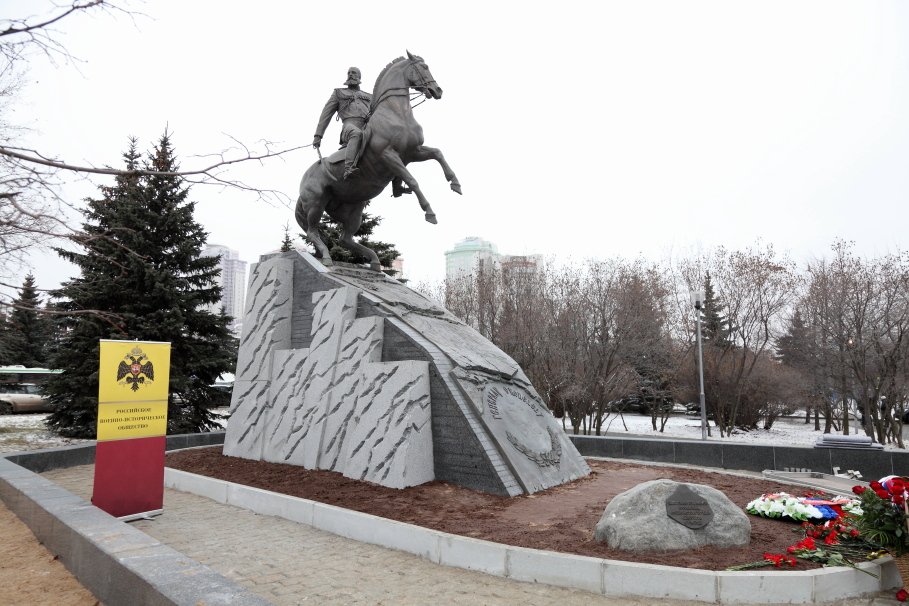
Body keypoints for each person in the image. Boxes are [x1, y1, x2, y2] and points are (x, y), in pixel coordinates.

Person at [312, 67, 373, 180]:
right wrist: (318, 135)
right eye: (349, 73)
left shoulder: (370, 96)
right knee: (356, 134)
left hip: (368, 126)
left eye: (353, 73)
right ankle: (348, 168)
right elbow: (326, 114)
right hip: (349, 127)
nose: (350, 75)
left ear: (359, 77)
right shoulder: (338, 93)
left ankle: (397, 184)